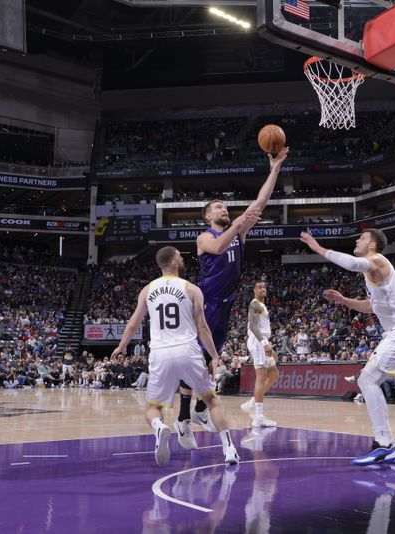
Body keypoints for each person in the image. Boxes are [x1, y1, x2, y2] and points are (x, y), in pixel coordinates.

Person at [175, 148, 288, 445]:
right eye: (218, 208)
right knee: (198, 360)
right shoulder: (204, 237)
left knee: (212, 361)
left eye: (226, 207)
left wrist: (274, 168)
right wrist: (238, 224)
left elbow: (260, 202)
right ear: (207, 216)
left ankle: (198, 410)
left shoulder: (238, 231)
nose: (224, 210)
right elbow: (218, 249)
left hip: (225, 304)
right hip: (205, 302)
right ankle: (184, 417)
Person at [300, 229, 395, 466]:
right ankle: (388, 445)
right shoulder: (374, 275)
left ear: (372, 245)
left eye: (362, 238)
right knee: (368, 380)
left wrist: (319, 249)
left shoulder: (376, 261)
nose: (357, 240)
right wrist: (344, 301)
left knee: (367, 380)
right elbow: (372, 306)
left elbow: (352, 263)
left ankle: (385, 444)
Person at [111, 246, 239, 466]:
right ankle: (229, 449)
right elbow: (203, 328)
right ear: (172, 262)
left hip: (160, 353)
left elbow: (133, 323)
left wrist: (122, 346)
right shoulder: (191, 289)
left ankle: (160, 427)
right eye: (180, 256)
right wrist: (214, 356)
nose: (182, 259)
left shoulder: (147, 290)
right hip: (187, 350)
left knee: (153, 408)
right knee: (211, 401)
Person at [240, 281, 280, 427]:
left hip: (262, 341)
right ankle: (258, 416)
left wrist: (268, 344)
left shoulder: (262, 305)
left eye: (264, 287)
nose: (263, 289)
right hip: (258, 342)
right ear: (254, 290)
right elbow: (252, 326)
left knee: (274, 374)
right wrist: (264, 344)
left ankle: (251, 403)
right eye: (260, 287)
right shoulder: (255, 304)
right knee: (262, 377)